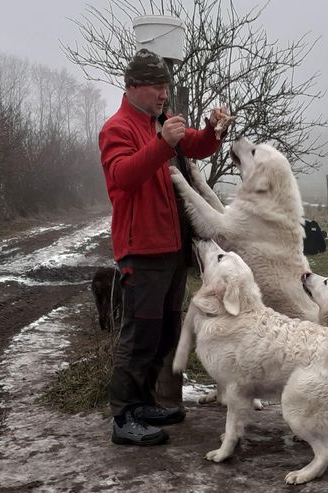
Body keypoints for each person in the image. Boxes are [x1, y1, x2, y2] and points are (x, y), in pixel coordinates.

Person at [98, 48, 231, 446]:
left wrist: (212, 131)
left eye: (165, 86)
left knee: (164, 331)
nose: (162, 93)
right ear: (133, 85)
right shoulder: (117, 129)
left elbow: (196, 146)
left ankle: (143, 405)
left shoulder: (161, 123)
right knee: (139, 334)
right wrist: (160, 142)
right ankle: (123, 417)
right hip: (143, 249)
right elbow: (123, 176)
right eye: (157, 86)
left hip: (173, 249)